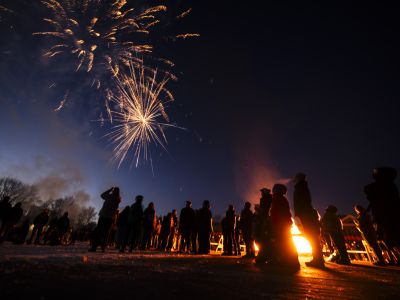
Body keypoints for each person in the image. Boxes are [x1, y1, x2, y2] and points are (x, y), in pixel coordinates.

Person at [364, 167, 400, 259]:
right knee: (387, 239)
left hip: (385, 216)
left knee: (391, 237)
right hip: (384, 215)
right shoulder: (391, 186)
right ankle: (396, 257)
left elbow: (368, 190)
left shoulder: (383, 185)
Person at [293, 173, 324, 267]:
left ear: (298, 178)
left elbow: (302, 201)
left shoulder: (300, 187)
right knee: (312, 237)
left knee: (312, 237)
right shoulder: (302, 186)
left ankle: (318, 260)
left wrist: (300, 212)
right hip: (306, 213)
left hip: (305, 214)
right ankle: (318, 259)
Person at [269, 184, 300, 269]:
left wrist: (274, 224)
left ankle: (286, 260)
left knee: (282, 242)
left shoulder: (277, 199)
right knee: (286, 242)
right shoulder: (282, 199)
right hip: (284, 224)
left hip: (280, 225)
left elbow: (276, 213)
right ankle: (291, 260)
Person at [89, 187, 121, 252]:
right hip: (110, 218)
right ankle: (103, 247)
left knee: (99, 231)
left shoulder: (109, 196)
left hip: (103, 216)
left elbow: (102, 195)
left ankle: (94, 247)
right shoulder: (118, 199)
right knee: (106, 233)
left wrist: (110, 189)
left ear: (113, 191)